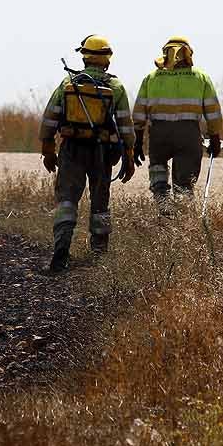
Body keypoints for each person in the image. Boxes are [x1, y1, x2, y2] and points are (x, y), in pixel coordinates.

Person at [39, 35, 137, 275]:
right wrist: (130, 155)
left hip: (71, 149)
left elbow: (49, 118)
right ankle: (99, 256)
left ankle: (61, 251)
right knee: (100, 203)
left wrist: (48, 149)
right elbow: (125, 126)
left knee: (67, 201)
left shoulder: (67, 84)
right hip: (102, 152)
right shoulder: (116, 87)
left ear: (84, 57)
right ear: (107, 59)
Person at [131, 36, 223, 214]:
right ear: (188, 54)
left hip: (159, 134)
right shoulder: (200, 77)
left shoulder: (151, 78)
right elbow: (213, 112)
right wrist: (215, 139)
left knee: (158, 168)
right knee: (184, 186)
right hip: (188, 135)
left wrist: (137, 143)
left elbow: (139, 113)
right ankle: (181, 224)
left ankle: (162, 201)